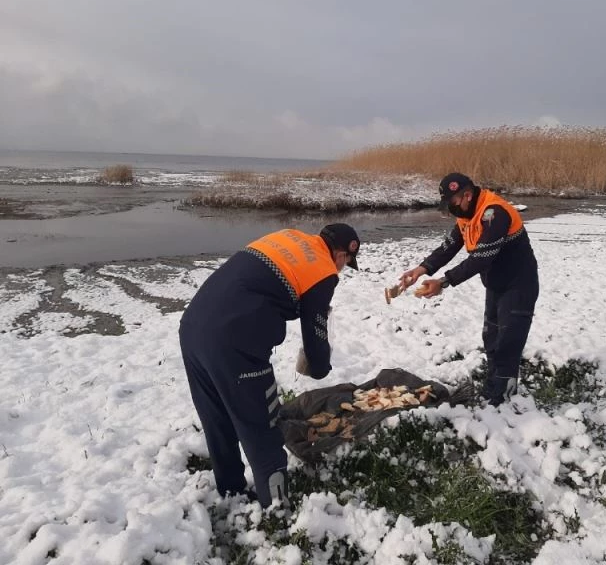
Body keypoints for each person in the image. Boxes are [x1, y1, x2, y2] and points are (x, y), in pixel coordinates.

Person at [179, 223, 360, 507]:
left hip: (192, 328)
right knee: (263, 428)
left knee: (219, 419)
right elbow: (315, 331)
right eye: (347, 263)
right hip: (235, 340)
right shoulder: (323, 268)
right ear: (341, 254)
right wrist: (320, 367)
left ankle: (231, 491)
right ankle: (276, 509)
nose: (343, 269)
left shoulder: (290, 238)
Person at [401, 173, 538, 406]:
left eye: (453, 203)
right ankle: (493, 389)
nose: (451, 209)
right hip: (496, 285)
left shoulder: (495, 214)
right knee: (491, 338)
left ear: (467, 194)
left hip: (518, 286)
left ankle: (502, 401)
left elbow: (481, 258)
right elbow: (449, 246)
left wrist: (444, 282)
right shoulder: (467, 214)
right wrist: (421, 269)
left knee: (508, 343)